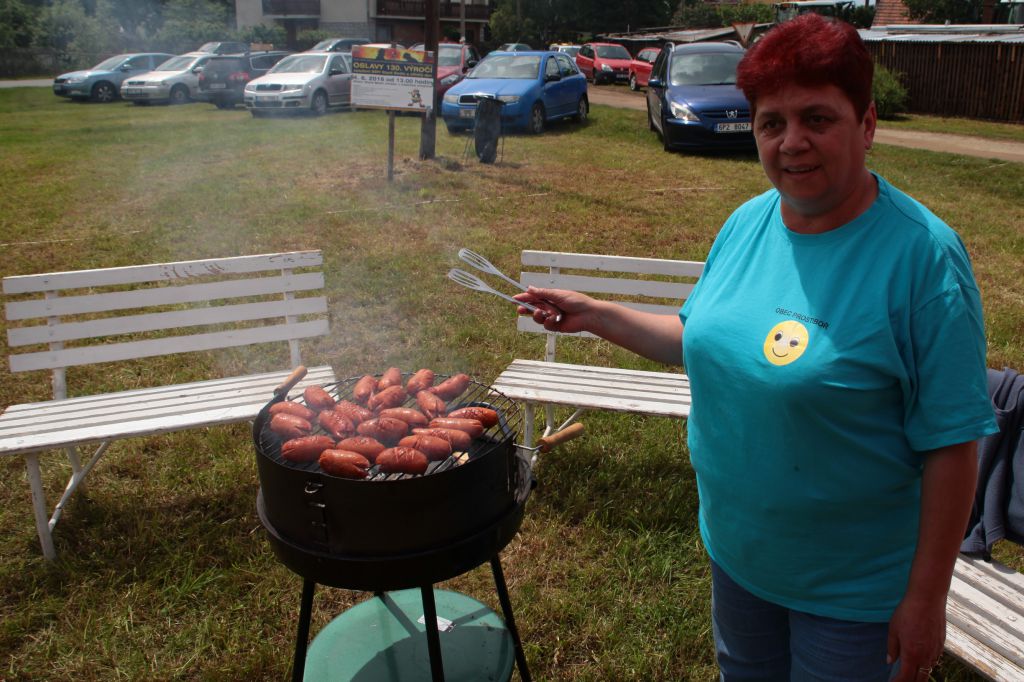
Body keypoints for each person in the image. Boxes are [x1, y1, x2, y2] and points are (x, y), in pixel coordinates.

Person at [515, 14, 998, 682]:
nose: (791, 142)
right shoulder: (747, 222)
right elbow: (698, 338)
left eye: (817, 119)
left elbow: (953, 445)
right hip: (738, 557)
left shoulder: (924, 260)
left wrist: (926, 598)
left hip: (852, 592)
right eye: (772, 123)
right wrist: (595, 315)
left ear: (866, 124)